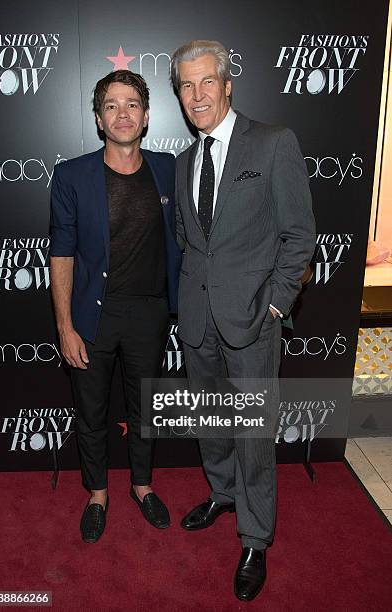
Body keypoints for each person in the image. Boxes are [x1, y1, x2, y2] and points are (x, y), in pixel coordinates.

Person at [170, 40, 316, 600]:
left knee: (254, 435)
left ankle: (255, 537)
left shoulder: (274, 143)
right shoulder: (184, 163)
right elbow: (190, 242)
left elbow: (300, 234)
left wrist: (277, 303)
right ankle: (222, 493)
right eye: (186, 85)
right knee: (212, 422)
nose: (197, 94)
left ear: (228, 85)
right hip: (198, 320)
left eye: (207, 81)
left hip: (254, 320)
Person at [49, 69, 181, 542]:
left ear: (146, 117)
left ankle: (142, 487)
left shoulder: (169, 168)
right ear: (100, 119)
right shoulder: (71, 176)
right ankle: (98, 493)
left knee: (146, 409)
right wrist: (65, 326)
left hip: (149, 313)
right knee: (91, 410)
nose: (122, 114)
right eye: (111, 105)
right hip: (92, 316)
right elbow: (61, 253)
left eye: (131, 105)